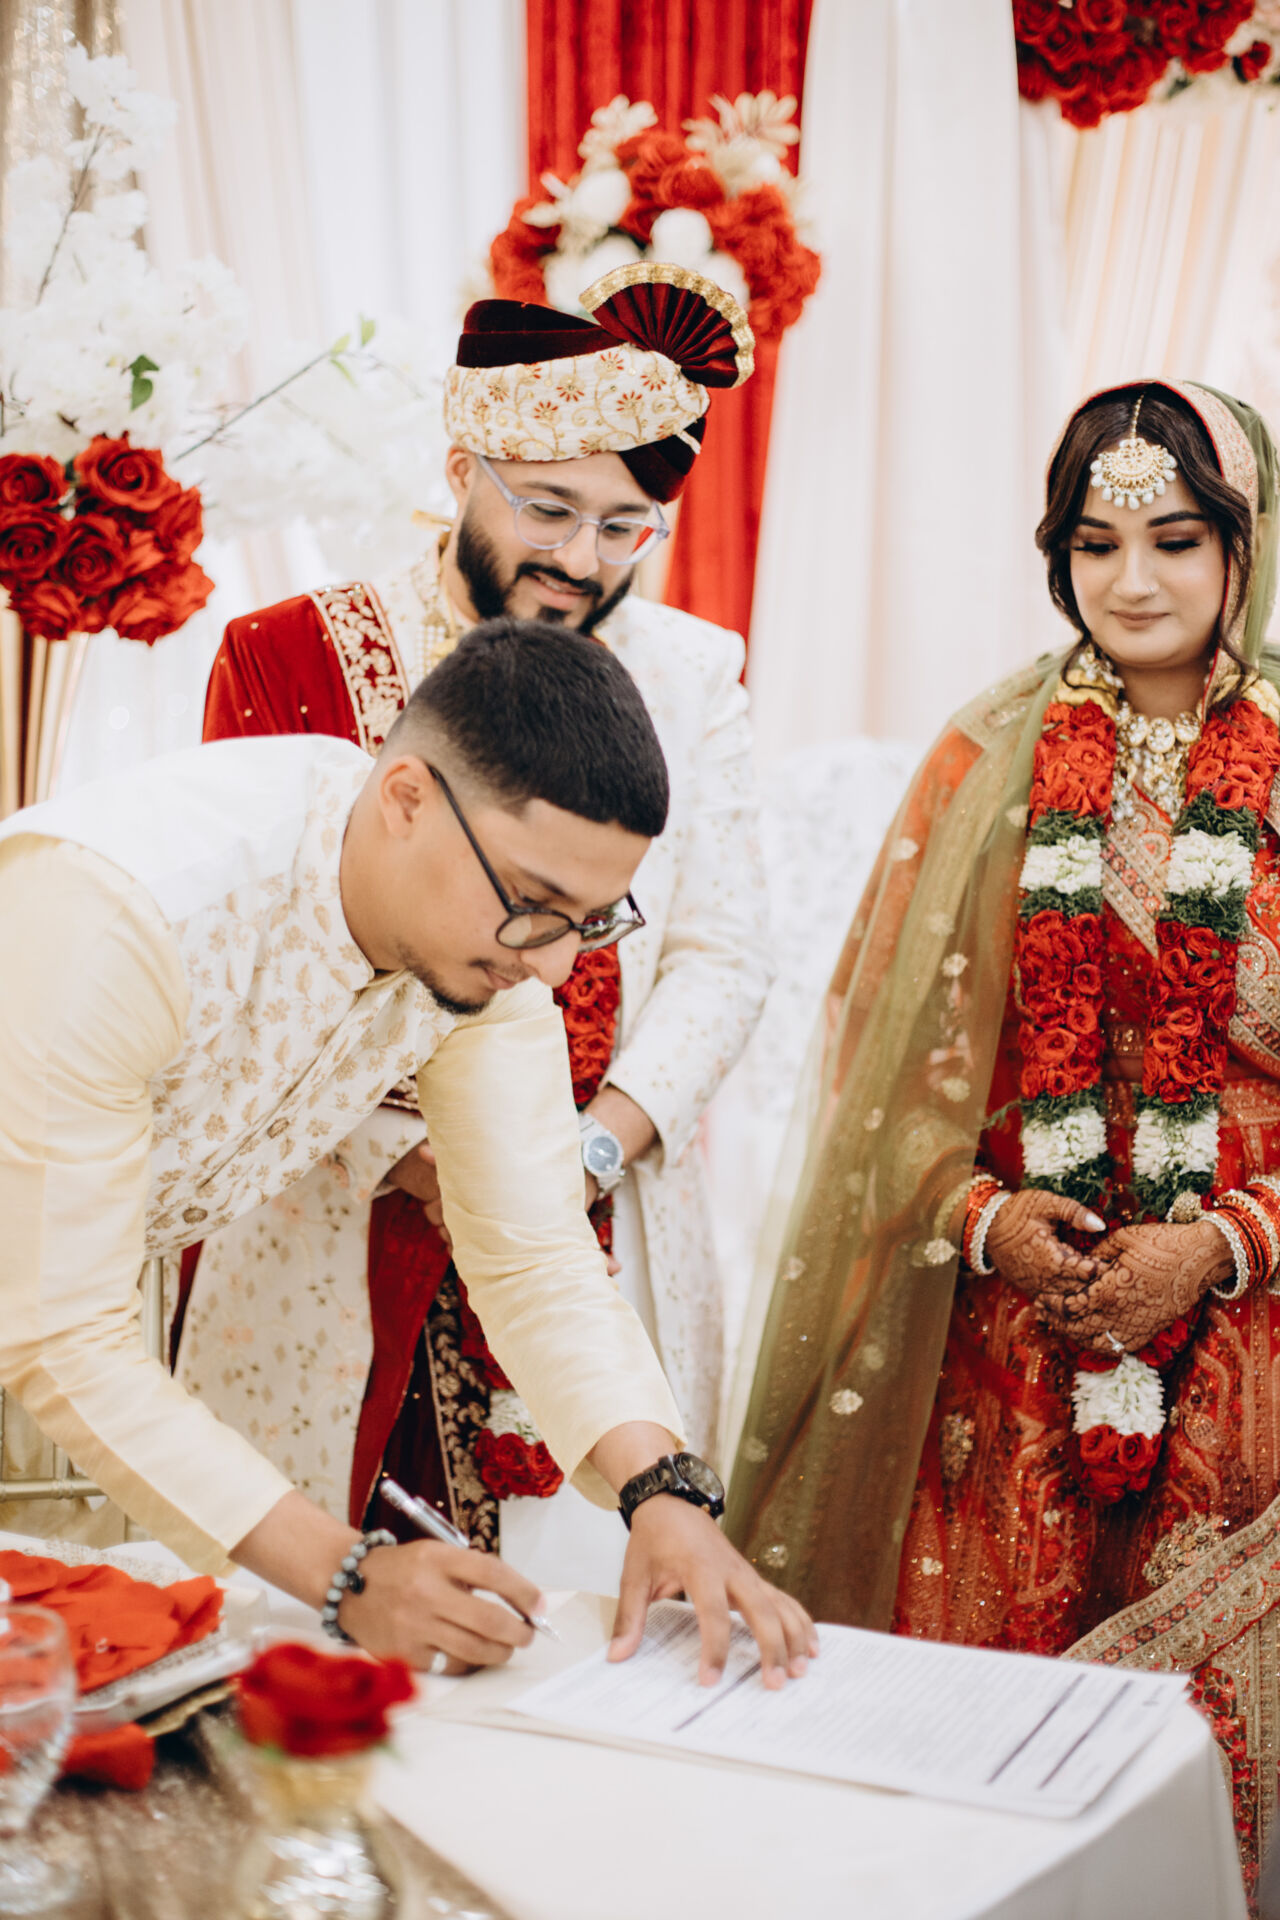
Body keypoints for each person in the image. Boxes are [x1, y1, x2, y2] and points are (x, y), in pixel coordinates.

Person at [0, 618, 815, 1686]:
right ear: (405, 799)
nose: (557, 967)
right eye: (534, 905)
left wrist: (662, 1493)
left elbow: (530, 1247)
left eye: (591, 919)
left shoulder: (480, 955)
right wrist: (347, 1575)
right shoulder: (125, 912)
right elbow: (66, 1337)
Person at [727, 380, 1280, 1880]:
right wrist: (983, 1217)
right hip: (1016, 1338)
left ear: (1244, 547)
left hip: (1250, 1341)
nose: (1133, 581)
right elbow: (884, 1084)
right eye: (1094, 545)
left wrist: (1217, 1244)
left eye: (1174, 539)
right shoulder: (983, 761)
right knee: (980, 1785)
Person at [177, 260, 771, 1594]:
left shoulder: (690, 673)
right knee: (308, 1606)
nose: (580, 559)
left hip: (593, 1199)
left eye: (624, 526)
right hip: (332, 1205)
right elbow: (252, 961)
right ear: (461, 469)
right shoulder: (296, 654)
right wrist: (423, 1157)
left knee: (584, 1604)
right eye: (547, 508)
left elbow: (724, 951)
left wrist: (583, 1153)